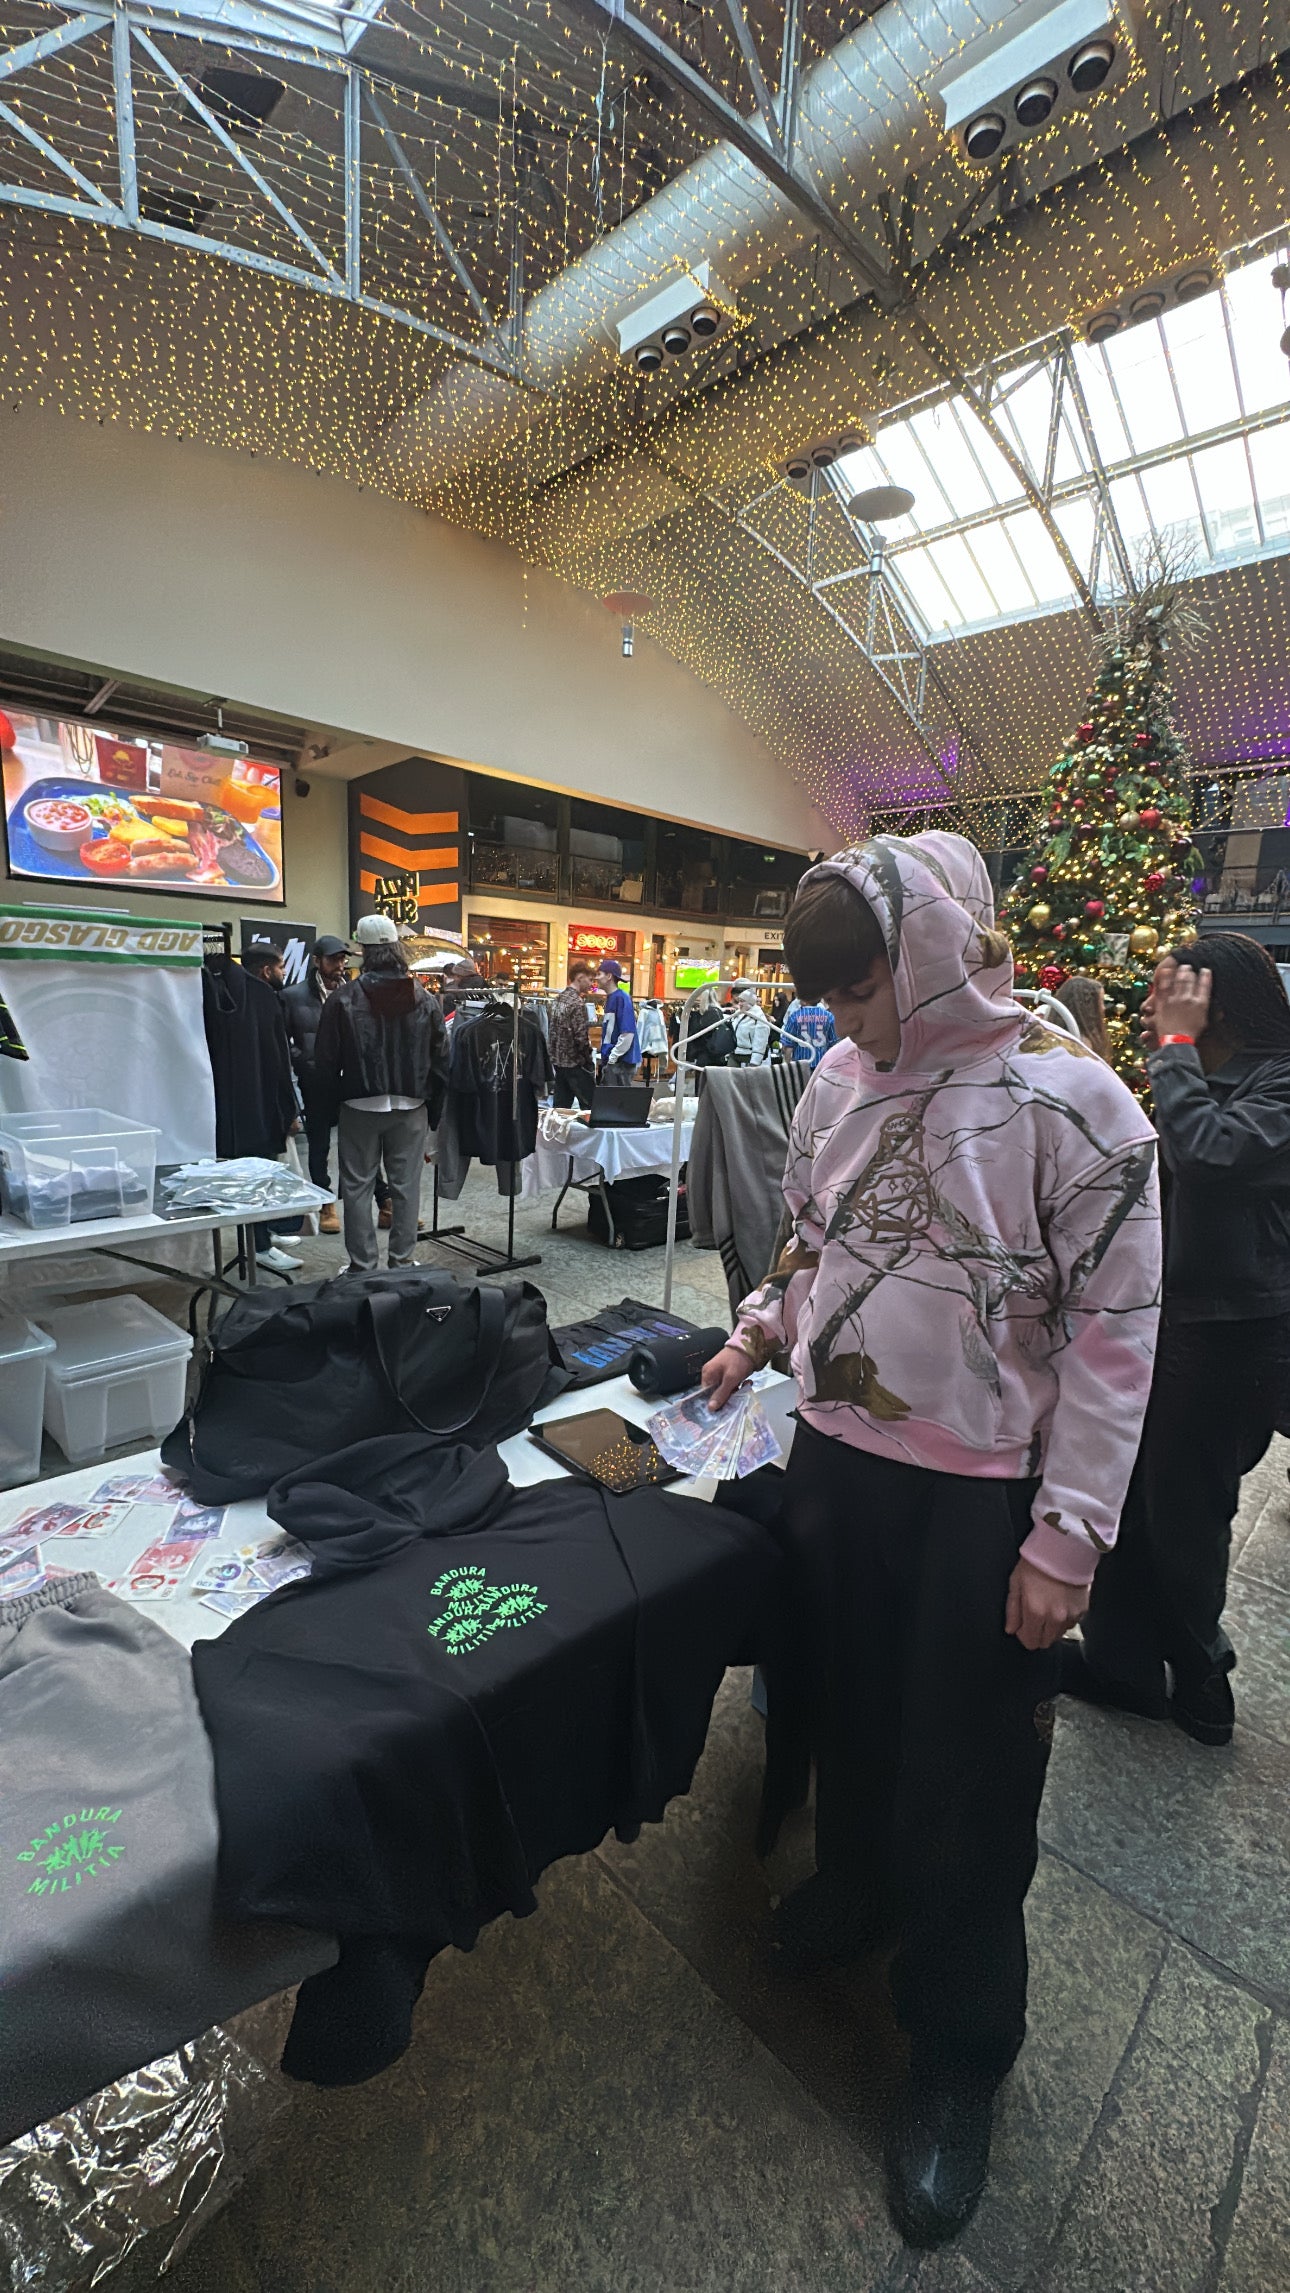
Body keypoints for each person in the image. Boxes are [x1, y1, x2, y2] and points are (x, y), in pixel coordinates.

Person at [700, 836, 1161, 2249]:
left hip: (977, 1499)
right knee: (841, 1710)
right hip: (836, 1457)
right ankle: (853, 1883)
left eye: (861, 991)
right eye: (830, 999)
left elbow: (1114, 1332)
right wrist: (761, 1328)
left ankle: (958, 2049)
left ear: (935, 948)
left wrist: (1065, 1538)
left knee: (968, 1777)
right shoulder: (840, 1080)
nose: (843, 1024)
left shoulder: (1073, 1105)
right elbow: (813, 1240)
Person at [1065, 934, 1290, 1747]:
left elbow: (1209, 1153)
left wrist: (1172, 1048)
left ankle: (1203, 1681)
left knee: (1189, 1511)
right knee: (1131, 1497)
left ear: (1214, 999)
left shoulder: (1275, 1079)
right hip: (1167, 1318)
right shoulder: (1210, 1072)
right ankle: (1122, 1664)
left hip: (1229, 1334)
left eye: (1170, 988)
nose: (1152, 1001)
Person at [312, 915, 449, 1275]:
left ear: (363, 952)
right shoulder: (425, 999)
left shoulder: (342, 999)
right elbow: (441, 1060)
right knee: (406, 1186)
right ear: (397, 948)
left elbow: (325, 1062)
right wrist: (433, 1109)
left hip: (358, 1104)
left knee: (357, 1185)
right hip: (411, 1104)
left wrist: (327, 1113)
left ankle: (363, 1267)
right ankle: (402, 1261)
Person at [241, 937, 305, 1272]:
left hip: (252, 1100)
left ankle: (266, 1233)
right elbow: (277, 1059)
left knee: (268, 1171)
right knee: (260, 1171)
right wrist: (288, 1108)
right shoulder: (263, 999)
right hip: (260, 1102)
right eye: (281, 966)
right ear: (267, 970)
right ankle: (261, 1246)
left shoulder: (243, 995)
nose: (284, 971)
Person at [283, 934, 350, 1234]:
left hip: (351, 1079)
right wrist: (305, 1061)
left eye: (343, 958)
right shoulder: (293, 996)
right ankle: (326, 1202)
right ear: (317, 960)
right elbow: (282, 1041)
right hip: (317, 1079)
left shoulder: (353, 993)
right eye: (334, 958)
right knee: (319, 1145)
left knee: (360, 1142)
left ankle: (384, 1199)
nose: (340, 964)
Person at [550, 965, 597, 1107]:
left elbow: (552, 1031)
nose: (591, 984)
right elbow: (580, 1037)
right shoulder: (577, 1003)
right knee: (590, 1106)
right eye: (589, 980)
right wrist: (587, 1060)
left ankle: (556, 1129)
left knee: (560, 1106)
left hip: (558, 1061)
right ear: (580, 977)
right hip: (575, 1062)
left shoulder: (558, 999)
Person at [596, 959, 640, 1084]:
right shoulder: (613, 998)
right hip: (616, 1061)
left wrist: (613, 1057)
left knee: (618, 1101)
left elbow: (628, 1032)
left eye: (600, 974)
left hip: (621, 1064)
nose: (596, 978)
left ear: (609, 976)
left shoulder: (621, 998)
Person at [1052, 974, 1112, 1061]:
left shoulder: (1049, 1034)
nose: (1103, 1008)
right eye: (1101, 1001)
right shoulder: (1083, 1044)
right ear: (1088, 1006)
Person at [782, 990, 837, 1066]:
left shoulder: (794, 1017)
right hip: (821, 1065)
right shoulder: (829, 1017)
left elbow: (787, 1046)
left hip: (800, 1066)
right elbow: (835, 1044)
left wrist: (788, 1067)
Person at [731, 984, 772, 1064]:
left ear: (750, 1002)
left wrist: (755, 1061)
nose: (739, 1003)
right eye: (739, 1001)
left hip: (749, 1056)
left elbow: (761, 1041)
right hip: (734, 1053)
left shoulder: (759, 1017)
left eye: (742, 1001)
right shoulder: (738, 1013)